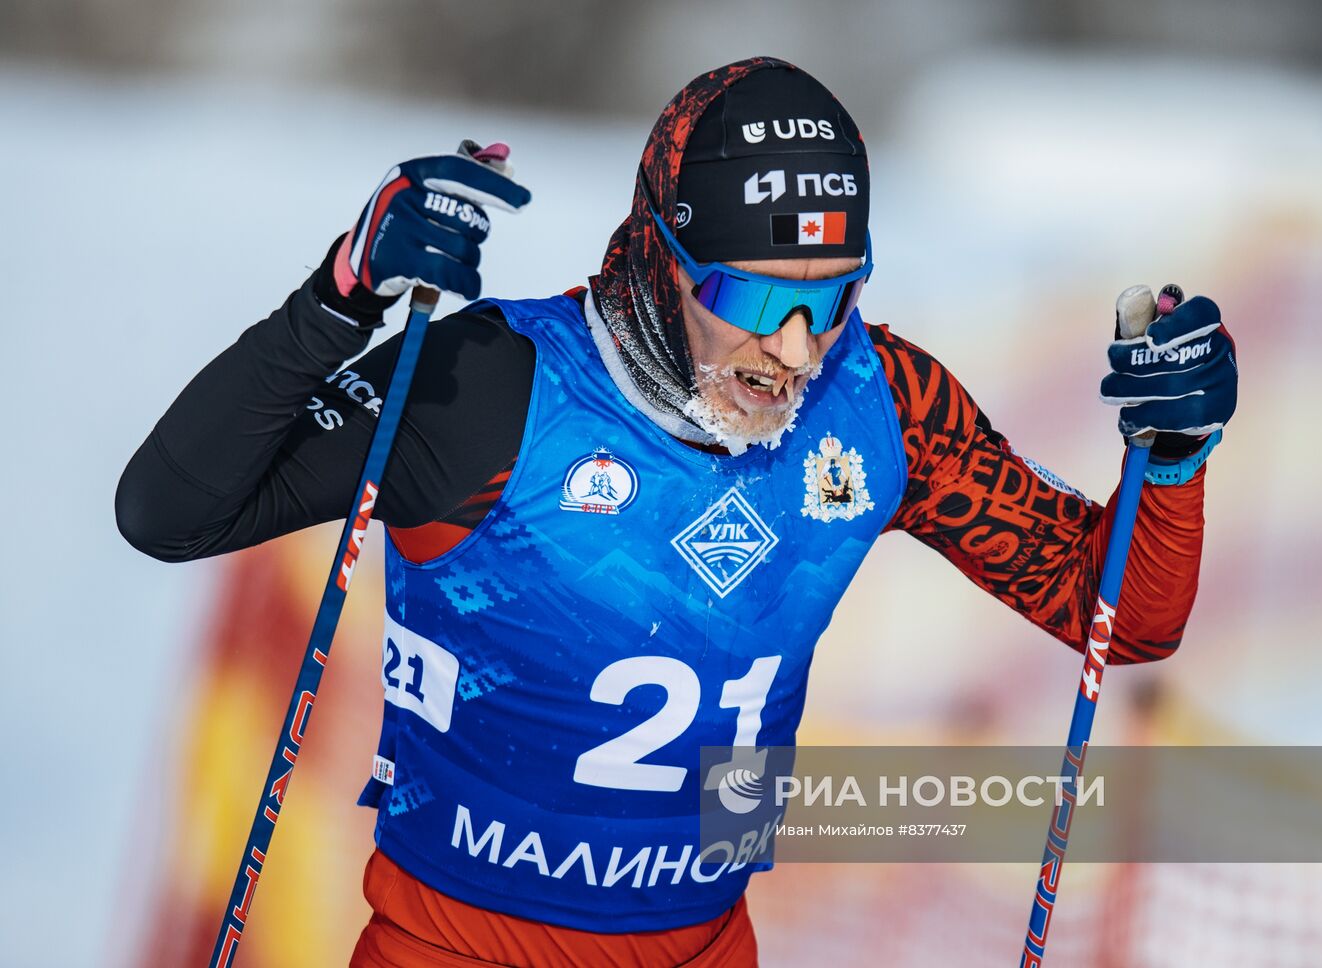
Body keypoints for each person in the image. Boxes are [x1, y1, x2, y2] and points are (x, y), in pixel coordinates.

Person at [116, 56, 1237, 968]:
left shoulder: (881, 401)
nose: (791, 352)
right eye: (749, 297)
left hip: (706, 946)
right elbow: (168, 509)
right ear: (659, 258)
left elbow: (1116, 618)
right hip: (450, 947)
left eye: (831, 296)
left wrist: (1172, 464)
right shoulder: (493, 386)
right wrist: (343, 290)